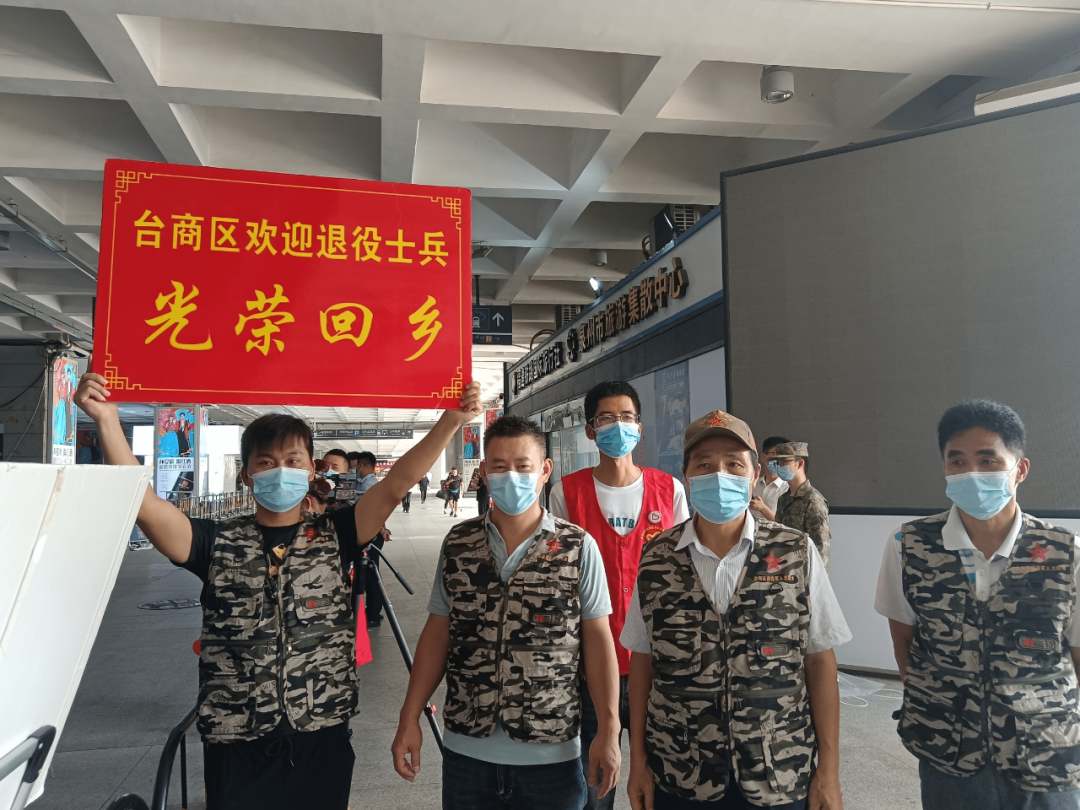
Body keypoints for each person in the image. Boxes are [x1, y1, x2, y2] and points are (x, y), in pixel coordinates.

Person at [73, 371, 482, 810]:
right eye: (266, 462)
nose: (280, 470)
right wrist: (106, 420)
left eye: (292, 459)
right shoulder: (214, 542)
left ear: (311, 471)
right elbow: (147, 507)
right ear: (247, 475)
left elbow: (397, 483)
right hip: (236, 737)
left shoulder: (337, 534)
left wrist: (451, 420)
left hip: (321, 730)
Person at [391, 415, 621, 810]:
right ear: (483, 472)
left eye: (522, 466)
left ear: (545, 470)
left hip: (552, 753)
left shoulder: (577, 547)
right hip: (467, 752)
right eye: (499, 466)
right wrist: (409, 716)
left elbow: (598, 643)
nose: (510, 476)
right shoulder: (460, 543)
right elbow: (438, 632)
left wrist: (609, 729)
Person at [623, 410, 849, 810]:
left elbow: (819, 661)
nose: (719, 475)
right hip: (679, 770)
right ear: (685, 474)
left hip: (779, 771)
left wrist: (828, 772)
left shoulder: (795, 551)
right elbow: (643, 662)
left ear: (754, 474)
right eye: (704, 465)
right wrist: (637, 762)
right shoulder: (657, 557)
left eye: (733, 464)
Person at [875, 400, 1080, 809]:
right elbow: (905, 642)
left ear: (1019, 469)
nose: (972, 472)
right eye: (958, 461)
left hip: (1045, 749)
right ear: (945, 468)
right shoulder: (909, 545)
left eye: (988, 460)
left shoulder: (1064, 552)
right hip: (947, 747)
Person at [548, 380, 690, 810]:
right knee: (594, 790)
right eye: (607, 419)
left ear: (640, 427)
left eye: (627, 417)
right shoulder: (566, 493)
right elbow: (560, 580)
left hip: (658, 664)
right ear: (591, 430)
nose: (618, 426)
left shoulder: (669, 490)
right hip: (591, 668)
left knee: (663, 786)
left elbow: (684, 574)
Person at [772, 442, 831, 567]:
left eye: (784, 462)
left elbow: (821, 548)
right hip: (783, 569)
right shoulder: (783, 499)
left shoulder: (813, 500)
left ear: (799, 464)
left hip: (804, 572)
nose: (780, 466)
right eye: (778, 463)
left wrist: (815, 577)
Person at [353, 450, 386, 628]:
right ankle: (371, 611)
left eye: (354, 466)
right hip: (367, 532)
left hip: (371, 535)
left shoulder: (370, 485)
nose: (353, 470)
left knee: (372, 574)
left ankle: (373, 613)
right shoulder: (362, 483)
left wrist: (380, 528)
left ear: (361, 465)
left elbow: (376, 510)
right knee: (366, 574)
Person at [750, 435, 790, 522]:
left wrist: (763, 508)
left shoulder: (788, 490)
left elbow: (787, 524)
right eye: (775, 454)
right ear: (764, 457)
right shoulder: (753, 484)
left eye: (782, 456)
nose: (779, 459)